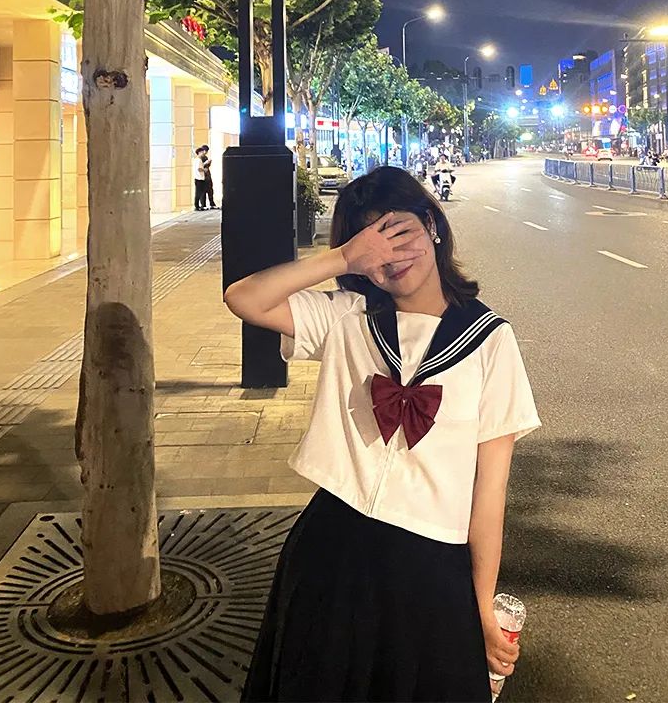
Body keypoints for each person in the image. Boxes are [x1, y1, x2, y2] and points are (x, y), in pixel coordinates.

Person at [226, 167, 540, 702]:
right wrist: (342, 259)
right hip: (333, 551)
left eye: (400, 232)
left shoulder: (491, 341)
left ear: (432, 225)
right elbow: (244, 298)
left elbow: (490, 492)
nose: (392, 256)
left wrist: (481, 605)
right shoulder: (347, 317)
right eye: (373, 247)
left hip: (432, 569)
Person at [193, 146, 209, 211]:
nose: (203, 153)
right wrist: (204, 170)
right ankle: (197, 206)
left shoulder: (196, 160)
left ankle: (198, 206)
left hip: (198, 178)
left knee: (199, 192)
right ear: (199, 153)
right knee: (199, 193)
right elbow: (199, 169)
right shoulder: (199, 160)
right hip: (199, 178)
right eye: (202, 152)